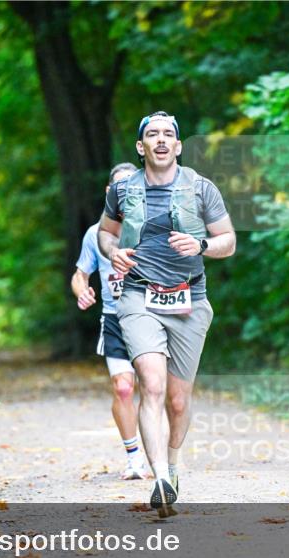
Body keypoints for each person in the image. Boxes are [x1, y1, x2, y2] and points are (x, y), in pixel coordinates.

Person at [98, 111, 236, 516]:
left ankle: (173, 467)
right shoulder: (122, 190)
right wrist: (114, 252)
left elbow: (227, 240)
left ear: (177, 146)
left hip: (189, 299)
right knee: (152, 386)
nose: (161, 140)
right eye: (152, 135)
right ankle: (158, 476)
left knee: (178, 400)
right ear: (141, 148)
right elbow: (106, 233)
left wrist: (202, 247)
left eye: (168, 135)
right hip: (138, 296)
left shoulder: (201, 188)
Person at [71, 162, 151, 481]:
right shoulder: (96, 234)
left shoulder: (154, 227)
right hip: (115, 318)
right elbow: (80, 274)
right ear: (110, 193)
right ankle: (134, 459)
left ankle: (159, 450)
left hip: (152, 318)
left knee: (156, 390)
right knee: (122, 388)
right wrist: (82, 292)